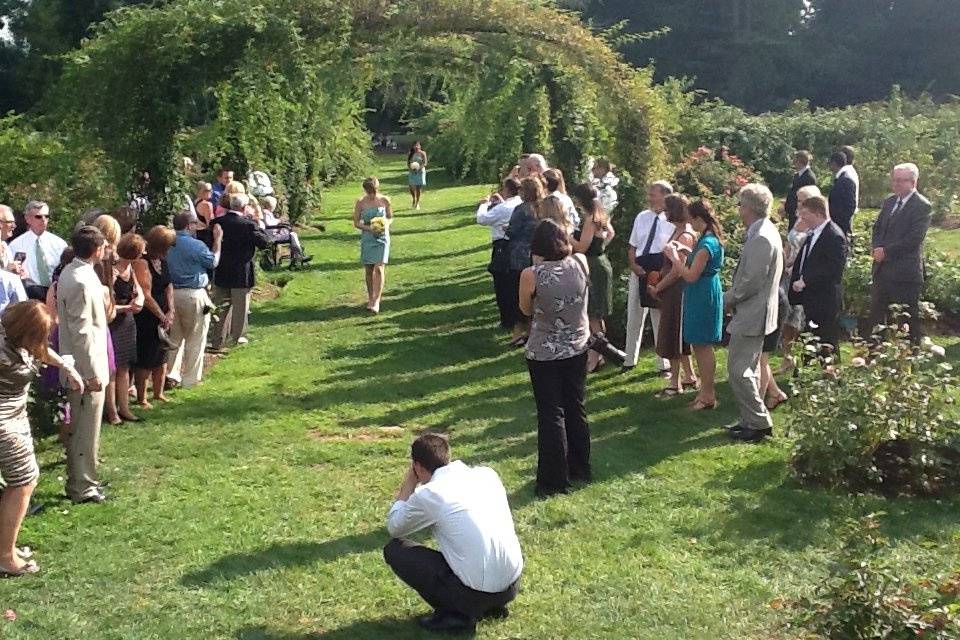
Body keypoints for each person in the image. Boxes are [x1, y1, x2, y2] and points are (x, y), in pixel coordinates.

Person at [384, 434, 523, 635]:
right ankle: (490, 606)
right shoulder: (487, 474)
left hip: (473, 594)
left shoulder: (430, 493)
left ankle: (456, 615)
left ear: (418, 467)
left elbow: (394, 527)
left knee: (395, 550)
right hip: (510, 587)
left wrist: (409, 484)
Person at [0, 301, 83, 575]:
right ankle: (6, 558)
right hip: (2, 423)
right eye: (39, 334)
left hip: (16, 415)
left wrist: (67, 368)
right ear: (25, 328)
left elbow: (41, 351)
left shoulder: (19, 341)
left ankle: (5, 547)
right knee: (23, 481)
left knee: (24, 481)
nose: (42, 340)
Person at [519, 220, 591, 497]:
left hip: (545, 350)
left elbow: (525, 308)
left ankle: (553, 480)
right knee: (576, 406)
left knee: (551, 414)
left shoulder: (532, 274)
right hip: (578, 344)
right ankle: (581, 467)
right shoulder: (581, 263)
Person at [724, 184, 783, 443]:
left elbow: (751, 282)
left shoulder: (761, 237)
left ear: (748, 207)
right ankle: (751, 420)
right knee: (748, 367)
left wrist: (725, 300)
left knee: (739, 370)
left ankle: (759, 422)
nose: (738, 209)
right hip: (758, 311)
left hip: (753, 312)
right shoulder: (763, 231)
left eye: (740, 204)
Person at [57, 225, 111, 503]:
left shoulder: (76, 272)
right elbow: (81, 331)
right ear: (96, 249)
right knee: (84, 430)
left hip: (86, 361)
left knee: (87, 428)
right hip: (83, 366)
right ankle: (82, 487)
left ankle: (86, 479)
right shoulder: (78, 279)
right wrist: (89, 372)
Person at [663, 199, 725, 410]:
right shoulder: (709, 238)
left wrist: (674, 258)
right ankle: (705, 392)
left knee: (703, 345)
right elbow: (698, 261)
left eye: (691, 220)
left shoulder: (707, 244)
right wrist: (685, 250)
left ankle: (708, 395)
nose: (690, 224)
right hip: (704, 291)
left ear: (699, 219)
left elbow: (690, 276)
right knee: (699, 344)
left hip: (702, 294)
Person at [869, 163, 933, 343]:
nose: (895, 184)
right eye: (894, 180)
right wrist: (877, 247)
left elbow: (914, 239)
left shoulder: (921, 206)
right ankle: (874, 352)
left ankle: (909, 357)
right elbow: (878, 228)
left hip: (905, 273)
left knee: (905, 317)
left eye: (900, 181)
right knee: (877, 314)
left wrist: (887, 251)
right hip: (882, 270)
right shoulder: (890, 202)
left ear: (913, 182)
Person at [623, 181, 675, 375]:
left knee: (658, 316)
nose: (650, 197)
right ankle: (630, 359)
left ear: (664, 196)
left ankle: (664, 363)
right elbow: (633, 245)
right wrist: (633, 265)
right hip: (640, 266)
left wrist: (662, 272)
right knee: (634, 313)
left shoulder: (671, 220)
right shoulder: (642, 217)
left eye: (653, 194)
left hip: (658, 268)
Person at [648, 194, 698, 397]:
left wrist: (659, 287)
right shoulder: (677, 231)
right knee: (677, 334)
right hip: (671, 288)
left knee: (673, 334)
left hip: (677, 290)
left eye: (667, 208)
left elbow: (679, 269)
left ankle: (674, 383)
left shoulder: (685, 235)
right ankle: (690, 376)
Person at [166, 212, 222, 389]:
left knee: (174, 337)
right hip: (193, 293)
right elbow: (213, 262)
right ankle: (190, 379)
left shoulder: (167, 243)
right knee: (195, 337)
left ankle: (171, 374)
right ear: (189, 225)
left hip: (171, 293)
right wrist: (217, 241)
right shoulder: (196, 245)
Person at [210, 193, 271, 350]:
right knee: (240, 308)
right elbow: (265, 242)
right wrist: (257, 222)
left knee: (221, 307)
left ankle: (217, 340)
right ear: (244, 207)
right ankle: (237, 338)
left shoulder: (217, 222)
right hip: (241, 271)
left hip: (222, 270)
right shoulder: (248, 225)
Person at [788, 195, 848, 353]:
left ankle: (829, 372)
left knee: (826, 337)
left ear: (818, 214)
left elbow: (834, 269)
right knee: (810, 336)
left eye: (805, 213)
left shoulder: (833, 236)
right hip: (811, 296)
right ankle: (807, 370)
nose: (802, 218)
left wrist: (806, 280)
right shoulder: (813, 233)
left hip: (824, 298)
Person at [776, 184, 821, 374]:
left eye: (803, 201)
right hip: (788, 275)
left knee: (798, 320)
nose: (799, 204)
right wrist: (783, 262)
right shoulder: (797, 219)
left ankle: (805, 357)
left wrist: (795, 264)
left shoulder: (815, 222)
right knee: (787, 319)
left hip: (803, 276)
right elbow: (788, 243)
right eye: (799, 200)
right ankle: (787, 359)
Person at [570, 183, 615, 373]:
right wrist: (602, 245)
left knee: (592, 313)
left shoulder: (590, 220)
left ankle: (594, 357)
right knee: (597, 312)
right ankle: (600, 353)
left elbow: (581, 247)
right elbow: (611, 233)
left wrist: (567, 236)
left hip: (593, 266)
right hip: (601, 261)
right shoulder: (601, 216)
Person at [133, 226, 176, 408]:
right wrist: (160, 315)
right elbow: (146, 294)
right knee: (147, 357)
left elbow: (168, 285)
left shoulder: (163, 261)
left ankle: (159, 393)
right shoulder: (142, 262)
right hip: (147, 316)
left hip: (164, 314)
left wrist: (171, 310)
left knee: (162, 355)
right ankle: (142, 397)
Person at [107, 233, 145, 423]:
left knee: (124, 367)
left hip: (128, 323)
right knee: (112, 368)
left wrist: (139, 301)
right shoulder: (112, 273)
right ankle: (112, 411)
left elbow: (139, 292)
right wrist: (127, 308)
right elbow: (107, 305)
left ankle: (125, 408)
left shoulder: (131, 268)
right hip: (113, 322)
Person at [476, 178, 522, 331]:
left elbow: (482, 219)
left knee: (502, 284)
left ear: (507, 189)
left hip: (503, 246)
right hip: (518, 247)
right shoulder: (518, 203)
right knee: (514, 283)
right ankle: (517, 319)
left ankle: (507, 320)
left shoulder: (503, 208)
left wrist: (484, 204)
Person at [505, 177, 546, 347]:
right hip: (539, 254)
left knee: (519, 293)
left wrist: (506, 230)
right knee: (535, 294)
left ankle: (517, 333)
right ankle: (532, 331)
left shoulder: (521, 210)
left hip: (520, 255)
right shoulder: (543, 207)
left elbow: (512, 231)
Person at [6, 201, 67, 301]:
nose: (43, 220)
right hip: (30, 296)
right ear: (27, 219)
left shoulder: (60, 244)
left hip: (56, 294)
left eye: (46, 216)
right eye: (38, 217)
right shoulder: (16, 245)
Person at [353, 177, 393, 314]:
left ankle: (377, 301)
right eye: (369, 191)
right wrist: (370, 228)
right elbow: (356, 222)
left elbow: (390, 216)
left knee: (379, 268)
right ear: (365, 190)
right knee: (369, 269)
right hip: (368, 237)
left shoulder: (384, 200)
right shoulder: (360, 202)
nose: (372, 194)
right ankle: (370, 297)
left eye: (374, 191)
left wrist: (385, 224)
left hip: (382, 237)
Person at [261, 195, 312, 267]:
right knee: (292, 235)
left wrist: (279, 221)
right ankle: (298, 255)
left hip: (272, 232)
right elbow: (269, 224)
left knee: (292, 234)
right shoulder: (266, 213)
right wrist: (279, 220)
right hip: (272, 234)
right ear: (271, 205)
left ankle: (298, 255)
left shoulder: (266, 212)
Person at [784, 150, 817, 229]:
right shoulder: (798, 175)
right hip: (793, 212)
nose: (793, 162)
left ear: (799, 161)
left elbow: (809, 198)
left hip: (801, 214)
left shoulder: (809, 177)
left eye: (795, 160)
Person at [827, 151, 857, 237]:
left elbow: (850, 205)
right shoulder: (840, 179)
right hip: (835, 223)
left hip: (840, 224)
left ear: (834, 163)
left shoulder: (846, 180)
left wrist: (841, 221)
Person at [407, 141, 428, 210]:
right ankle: (413, 198)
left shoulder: (423, 153)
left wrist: (419, 168)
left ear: (420, 146)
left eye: (417, 145)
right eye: (415, 145)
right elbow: (408, 163)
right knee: (411, 187)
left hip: (420, 172)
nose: (416, 147)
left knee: (418, 188)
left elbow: (425, 163)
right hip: (412, 172)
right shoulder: (411, 153)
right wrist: (411, 168)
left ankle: (417, 203)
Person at [0, 205, 18, 270]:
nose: (14, 226)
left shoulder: (5, 246)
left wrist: (15, 270)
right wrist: (7, 269)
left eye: (14, 223)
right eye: (10, 222)